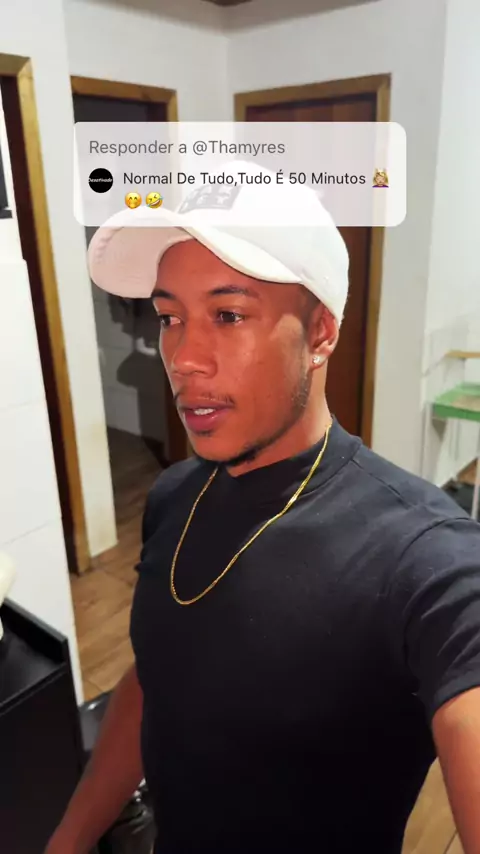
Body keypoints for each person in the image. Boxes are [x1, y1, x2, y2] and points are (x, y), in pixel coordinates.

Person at [46, 164, 480, 854]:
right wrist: (67, 841)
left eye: (228, 315)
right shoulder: (174, 495)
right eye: (169, 317)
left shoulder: (427, 560)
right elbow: (158, 674)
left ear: (321, 333)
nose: (184, 358)